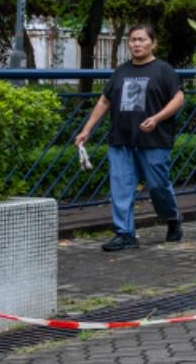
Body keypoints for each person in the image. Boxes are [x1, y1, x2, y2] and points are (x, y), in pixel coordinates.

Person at [74, 24, 186, 251]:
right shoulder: (121, 71)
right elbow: (104, 101)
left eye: (142, 40)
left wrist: (156, 118)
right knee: (121, 187)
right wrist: (87, 130)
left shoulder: (163, 70)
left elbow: (178, 98)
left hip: (154, 140)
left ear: (153, 43)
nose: (136, 44)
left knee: (157, 186)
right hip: (121, 139)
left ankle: (172, 218)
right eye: (133, 40)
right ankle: (125, 234)